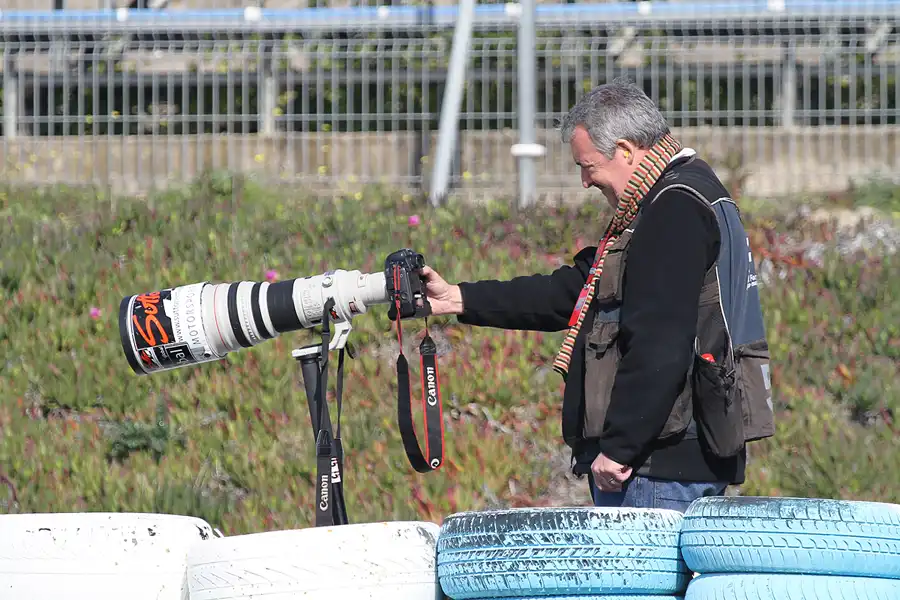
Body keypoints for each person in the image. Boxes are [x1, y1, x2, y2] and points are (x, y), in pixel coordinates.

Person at [419, 78, 775, 512]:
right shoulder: (684, 196)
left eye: (587, 166)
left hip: (657, 468)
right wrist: (457, 298)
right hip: (675, 459)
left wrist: (622, 446)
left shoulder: (673, 210)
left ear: (625, 150)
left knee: (640, 583)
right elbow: (574, 292)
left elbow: (660, 342)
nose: (586, 182)